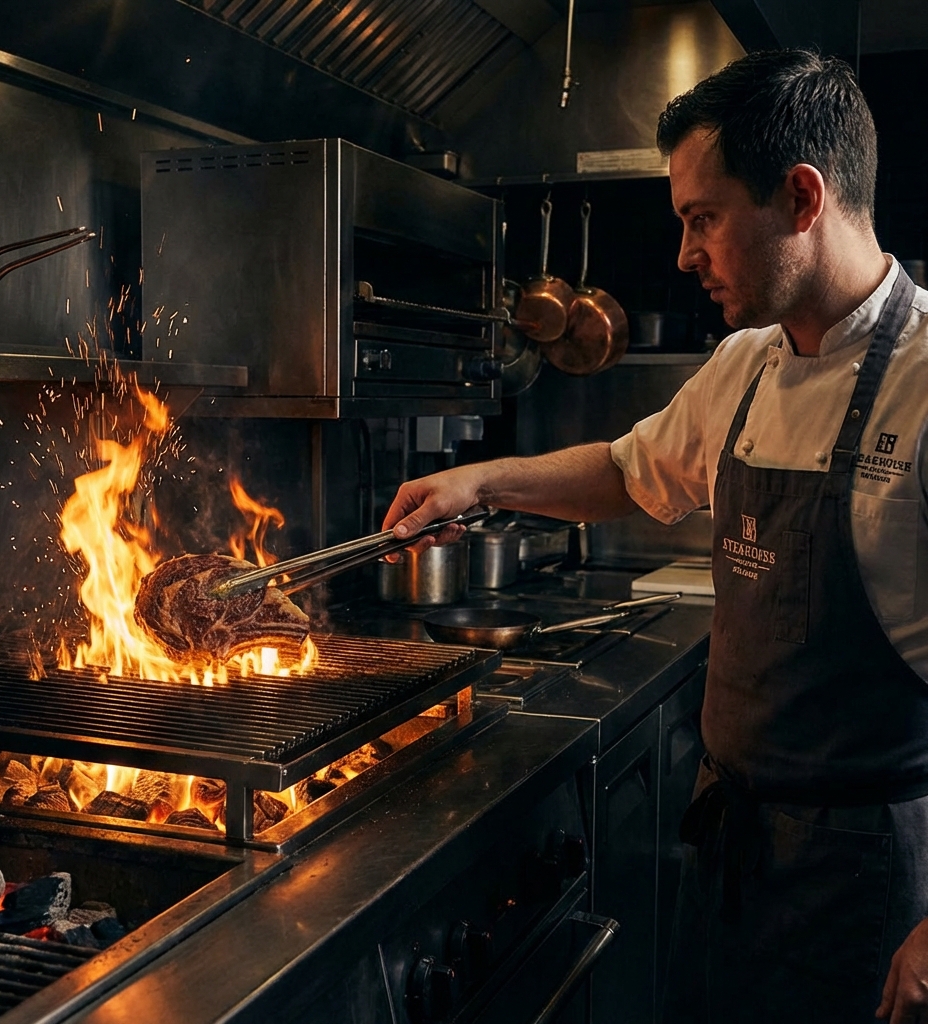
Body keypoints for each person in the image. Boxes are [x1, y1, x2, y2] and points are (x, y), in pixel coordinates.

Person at [382, 50, 928, 1024]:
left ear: (802, 198)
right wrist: (480, 479)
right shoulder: (747, 365)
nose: (682, 254)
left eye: (701, 218)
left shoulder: (921, 384)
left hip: (865, 876)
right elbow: (631, 469)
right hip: (732, 843)